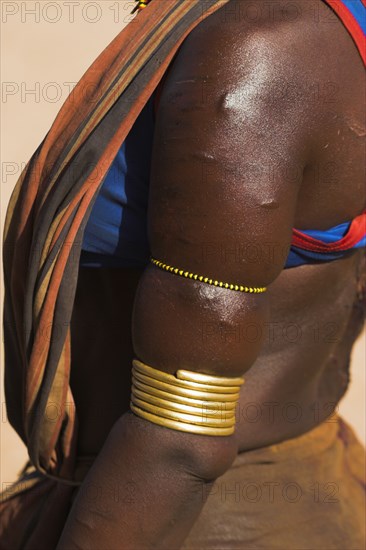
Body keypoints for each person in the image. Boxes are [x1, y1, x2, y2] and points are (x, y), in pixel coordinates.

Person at [1, 0, 365, 548]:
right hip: (281, 484)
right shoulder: (314, 30)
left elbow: (179, 441)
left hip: (184, 515)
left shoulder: (262, 49)